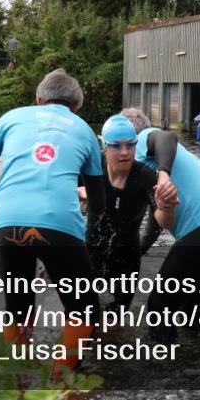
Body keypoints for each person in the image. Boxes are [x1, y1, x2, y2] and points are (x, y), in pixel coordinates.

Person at [0, 69, 105, 378]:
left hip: (8, 221)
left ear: (39, 99)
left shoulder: (13, 117)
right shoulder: (84, 130)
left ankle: (15, 383)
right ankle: (60, 383)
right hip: (59, 225)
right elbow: (99, 202)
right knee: (85, 309)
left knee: (18, 306)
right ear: (76, 105)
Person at [119, 107, 200, 343]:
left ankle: (164, 369)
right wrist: (136, 255)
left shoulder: (147, 137)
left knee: (159, 307)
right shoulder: (154, 165)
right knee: (190, 313)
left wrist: (164, 174)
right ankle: (199, 368)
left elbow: (167, 136)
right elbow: (155, 224)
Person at [79, 114, 178, 310]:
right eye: (116, 146)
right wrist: (78, 193)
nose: (124, 152)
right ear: (104, 147)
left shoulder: (145, 176)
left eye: (130, 145)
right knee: (84, 315)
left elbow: (164, 223)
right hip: (90, 253)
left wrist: (166, 207)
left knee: (115, 324)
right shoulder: (91, 168)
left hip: (126, 260)